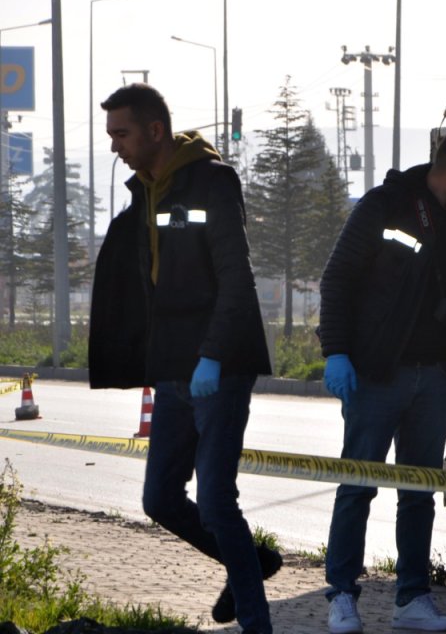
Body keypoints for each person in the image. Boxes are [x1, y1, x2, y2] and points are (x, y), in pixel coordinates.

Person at [88, 83, 279, 634]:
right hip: (173, 371)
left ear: (154, 130)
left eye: (121, 134)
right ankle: (252, 563)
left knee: (217, 501)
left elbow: (236, 279)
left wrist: (213, 357)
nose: (115, 146)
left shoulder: (212, 181)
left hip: (218, 367)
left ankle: (258, 625)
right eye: (110, 136)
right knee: (160, 498)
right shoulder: (145, 191)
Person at [318, 122, 446, 633]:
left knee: (419, 492)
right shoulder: (385, 204)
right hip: (377, 374)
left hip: (433, 374)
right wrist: (336, 353)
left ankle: (412, 601)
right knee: (358, 486)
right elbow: (336, 279)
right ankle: (342, 598)